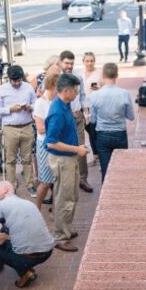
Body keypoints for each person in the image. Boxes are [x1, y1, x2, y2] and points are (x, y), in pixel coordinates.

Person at [44, 73, 89, 252]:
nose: (77, 93)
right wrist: (77, 149)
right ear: (67, 91)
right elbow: (51, 142)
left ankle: (67, 228)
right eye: (75, 90)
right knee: (64, 198)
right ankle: (60, 236)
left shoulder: (65, 104)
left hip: (69, 158)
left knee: (71, 195)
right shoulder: (57, 111)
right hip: (63, 160)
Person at [0, 181, 55, 288]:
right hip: (48, 251)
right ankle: (26, 266)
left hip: (28, 257)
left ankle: (24, 272)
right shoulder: (29, 203)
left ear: (5, 190)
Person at [0, 64, 37, 194]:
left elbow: (36, 104)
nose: (17, 83)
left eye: (19, 80)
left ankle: (30, 184)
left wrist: (30, 107)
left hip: (26, 126)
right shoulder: (1, 90)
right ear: (9, 79)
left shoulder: (28, 87)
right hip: (10, 128)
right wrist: (10, 109)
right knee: (10, 159)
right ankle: (11, 185)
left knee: (27, 158)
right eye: (14, 81)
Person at [89, 62, 135, 183]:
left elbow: (93, 119)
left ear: (103, 75)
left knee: (105, 169)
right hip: (120, 133)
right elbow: (130, 116)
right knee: (121, 169)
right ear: (117, 75)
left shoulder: (95, 95)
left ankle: (106, 198)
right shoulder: (124, 93)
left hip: (102, 135)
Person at [60, 51, 94, 193]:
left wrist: (86, 111)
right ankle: (64, 182)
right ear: (61, 62)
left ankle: (82, 179)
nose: (69, 66)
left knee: (81, 148)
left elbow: (83, 96)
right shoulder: (57, 78)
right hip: (62, 120)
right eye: (67, 63)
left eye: (71, 63)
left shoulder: (78, 77)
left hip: (77, 117)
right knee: (63, 150)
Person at [32, 72, 57, 209]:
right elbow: (40, 129)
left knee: (56, 183)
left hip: (56, 144)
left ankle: (55, 211)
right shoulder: (40, 103)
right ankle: (37, 209)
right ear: (52, 86)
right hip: (44, 145)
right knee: (46, 182)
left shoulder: (57, 101)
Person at [76, 52, 102, 161]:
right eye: (87, 61)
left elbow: (106, 87)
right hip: (82, 105)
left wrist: (99, 88)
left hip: (94, 105)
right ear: (83, 62)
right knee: (88, 129)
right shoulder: (79, 73)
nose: (89, 63)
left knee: (93, 129)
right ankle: (96, 152)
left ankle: (97, 153)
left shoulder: (99, 73)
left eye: (92, 61)